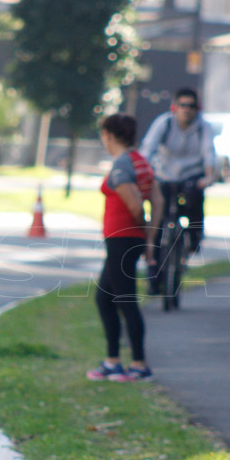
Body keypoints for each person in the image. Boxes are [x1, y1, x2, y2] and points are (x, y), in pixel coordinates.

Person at [87, 114, 164, 382]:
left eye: (103, 135)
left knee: (125, 301)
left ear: (108, 135)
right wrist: (149, 238)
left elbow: (134, 205)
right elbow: (158, 200)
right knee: (104, 298)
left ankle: (140, 365)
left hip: (122, 240)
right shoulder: (140, 161)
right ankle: (112, 362)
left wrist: (143, 234)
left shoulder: (121, 166)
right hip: (127, 240)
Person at [138, 88, 217, 293]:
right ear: (174, 107)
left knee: (194, 201)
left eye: (191, 106)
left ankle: (193, 239)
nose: (187, 110)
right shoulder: (163, 123)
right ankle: (153, 278)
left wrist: (208, 176)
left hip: (191, 177)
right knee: (157, 221)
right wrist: (144, 174)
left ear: (197, 109)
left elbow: (209, 153)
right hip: (165, 176)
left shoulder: (203, 127)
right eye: (182, 105)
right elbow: (148, 149)